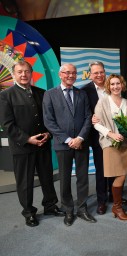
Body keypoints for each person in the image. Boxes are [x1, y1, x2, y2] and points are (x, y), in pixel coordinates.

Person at [0, 60, 64, 227]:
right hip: (23, 147)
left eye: (27, 71)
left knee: (47, 178)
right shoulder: (6, 95)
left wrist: (48, 134)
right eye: (20, 72)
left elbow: (50, 117)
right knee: (25, 182)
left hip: (43, 144)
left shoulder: (42, 93)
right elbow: (7, 125)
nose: (23, 75)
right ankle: (29, 212)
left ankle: (50, 206)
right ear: (14, 74)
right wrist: (28, 139)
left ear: (31, 73)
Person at [43, 63, 96, 226]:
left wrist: (80, 138)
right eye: (67, 73)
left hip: (81, 143)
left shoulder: (82, 94)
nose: (70, 76)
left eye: (73, 73)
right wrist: (68, 140)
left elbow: (88, 117)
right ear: (60, 74)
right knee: (65, 179)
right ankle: (68, 210)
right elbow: (49, 121)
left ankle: (82, 208)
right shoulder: (50, 94)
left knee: (82, 178)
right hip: (62, 145)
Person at [93, 74, 127, 221]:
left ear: (122, 85)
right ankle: (117, 207)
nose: (115, 86)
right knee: (120, 174)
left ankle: (116, 205)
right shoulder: (103, 102)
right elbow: (96, 123)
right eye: (112, 84)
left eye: (118, 83)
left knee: (123, 175)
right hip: (110, 144)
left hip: (126, 144)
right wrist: (111, 134)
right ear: (108, 86)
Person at [81, 61, 119, 215]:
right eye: (95, 73)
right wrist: (91, 119)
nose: (99, 75)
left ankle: (113, 196)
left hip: (116, 135)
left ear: (105, 72)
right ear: (90, 74)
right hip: (98, 137)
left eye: (101, 72)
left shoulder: (113, 87)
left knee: (115, 168)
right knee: (101, 170)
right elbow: (84, 112)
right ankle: (101, 201)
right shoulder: (84, 91)